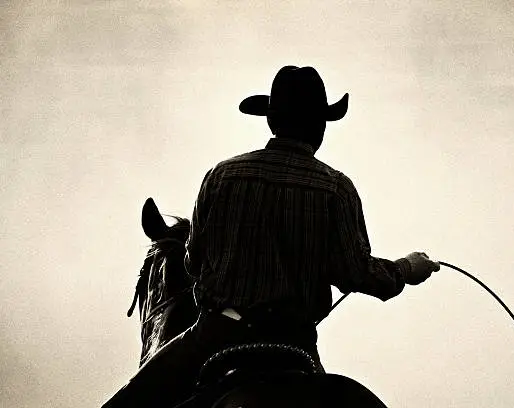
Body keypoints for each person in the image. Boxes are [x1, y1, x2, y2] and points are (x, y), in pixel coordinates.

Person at [101, 65, 440, 408]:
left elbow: (194, 263)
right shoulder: (337, 188)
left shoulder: (222, 177)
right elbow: (360, 274)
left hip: (219, 335)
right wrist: (406, 269)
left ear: (270, 120)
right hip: (296, 344)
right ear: (320, 127)